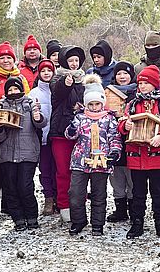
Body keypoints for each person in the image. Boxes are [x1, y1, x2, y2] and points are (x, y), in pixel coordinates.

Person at [117, 65, 160, 239]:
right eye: (140, 83)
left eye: (146, 83)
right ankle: (137, 223)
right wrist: (125, 126)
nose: (142, 86)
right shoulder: (133, 104)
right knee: (138, 192)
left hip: (157, 155)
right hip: (136, 155)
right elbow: (122, 123)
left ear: (154, 84)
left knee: (158, 191)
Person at [65, 74, 122, 236]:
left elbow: (115, 138)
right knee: (75, 193)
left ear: (102, 103)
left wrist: (114, 154)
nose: (95, 107)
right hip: (80, 161)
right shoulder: (80, 117)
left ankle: (98, 224)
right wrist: (70, 129)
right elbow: (70, 136)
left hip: (101, 161)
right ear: (86, 104)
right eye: (91, 104)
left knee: (99, 194)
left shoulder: (109, 119)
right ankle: (78, 220)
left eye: (98, 104)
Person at [0, 41, 30, 218]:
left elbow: (27, 99)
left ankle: (8, 205)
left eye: (9, 57)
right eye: (2, 58)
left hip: (16, 131)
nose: (6, 61)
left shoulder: (21, 78)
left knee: (11, 171)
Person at [0, 77, 47, 231]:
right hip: (7, 154)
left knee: (25, 186)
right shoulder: (2, 107)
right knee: (10, 187)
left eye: (16, 89)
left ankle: (32, 217)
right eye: (10, 90)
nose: (13, 92)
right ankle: (18, 219)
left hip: (28, 152)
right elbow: (0, 138)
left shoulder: (30, 105)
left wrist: (38, 116)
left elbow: (41, 123)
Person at [49, 45, 86, 222]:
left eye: (76, 61)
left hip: (82, 133)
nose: (73, 64)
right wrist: (66, 83)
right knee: (63, 170)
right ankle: (64, 204)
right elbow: (58, 92)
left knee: (80, 171)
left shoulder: (85, 79)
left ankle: (79, 205)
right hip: (60, 131)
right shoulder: (57, 77)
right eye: (70, 60)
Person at [106, 61, 137, 223]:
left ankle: (134, 209)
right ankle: (120, 209)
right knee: (116, 176)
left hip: (132, 140)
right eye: (119, 74)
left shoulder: (137, 93)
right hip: (113, 141)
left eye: (125, 73)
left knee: (131, 176)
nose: (122, 77)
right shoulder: (108, 94)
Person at [28, 59, 57, 215]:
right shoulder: (34, 93)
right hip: (42, 137)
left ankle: (59, 198)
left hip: (57, 135)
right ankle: (48, 198)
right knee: (45, 169)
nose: (46, 73)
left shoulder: (58, 89)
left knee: (58, 169)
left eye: (49, 70)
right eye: (43, 71)